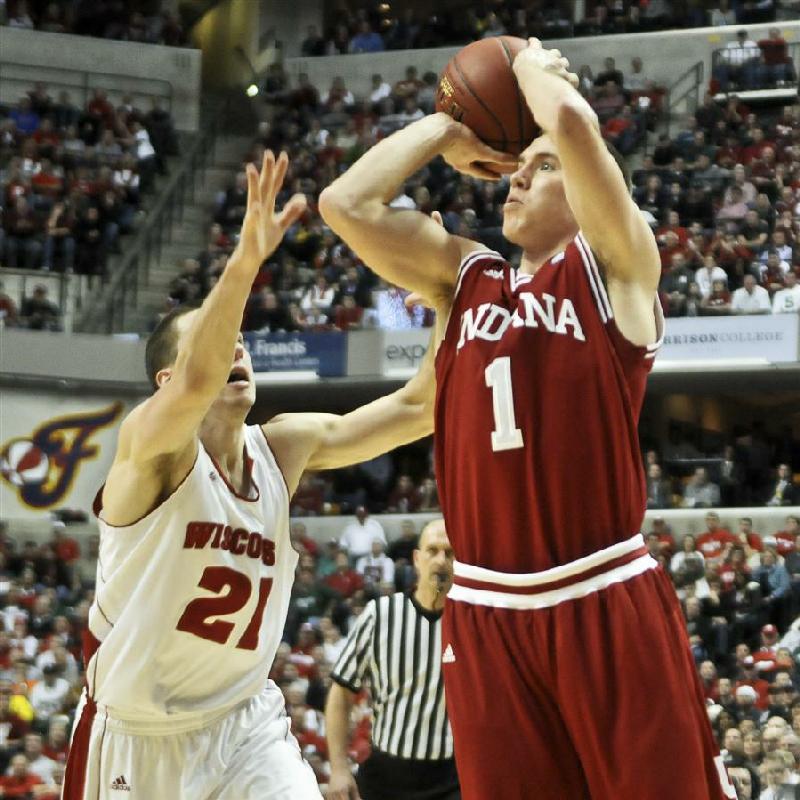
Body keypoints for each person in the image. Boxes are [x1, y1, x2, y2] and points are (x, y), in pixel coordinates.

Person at [320, 38, 736, 799]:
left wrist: (529, 70)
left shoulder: (616, 269)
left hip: (601, 591)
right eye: (519, 165)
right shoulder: (465, 277)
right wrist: (448, 129)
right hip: (486, 610)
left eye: (541, 168)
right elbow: (344, 206)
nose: (516, 175)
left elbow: (572, 126)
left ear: (588, 188)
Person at [63, 152, 440, 800]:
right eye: (219, 339)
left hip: (244, 725)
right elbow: (195, 382)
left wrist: (446, 293)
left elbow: (418, 408)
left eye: (240, 339)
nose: (236, 345)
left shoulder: (283, 447)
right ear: (165, 380)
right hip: (137, 736)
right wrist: (244, 261)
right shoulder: (149, 450)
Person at [325, 520, 460, 800]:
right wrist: (338, 768)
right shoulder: (380, 614)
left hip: (452, 777)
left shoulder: (472, 623)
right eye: (432, 550)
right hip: (387, 773)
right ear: (417, 559)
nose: (440, 560)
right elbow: (341, 693)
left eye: (449, 553)